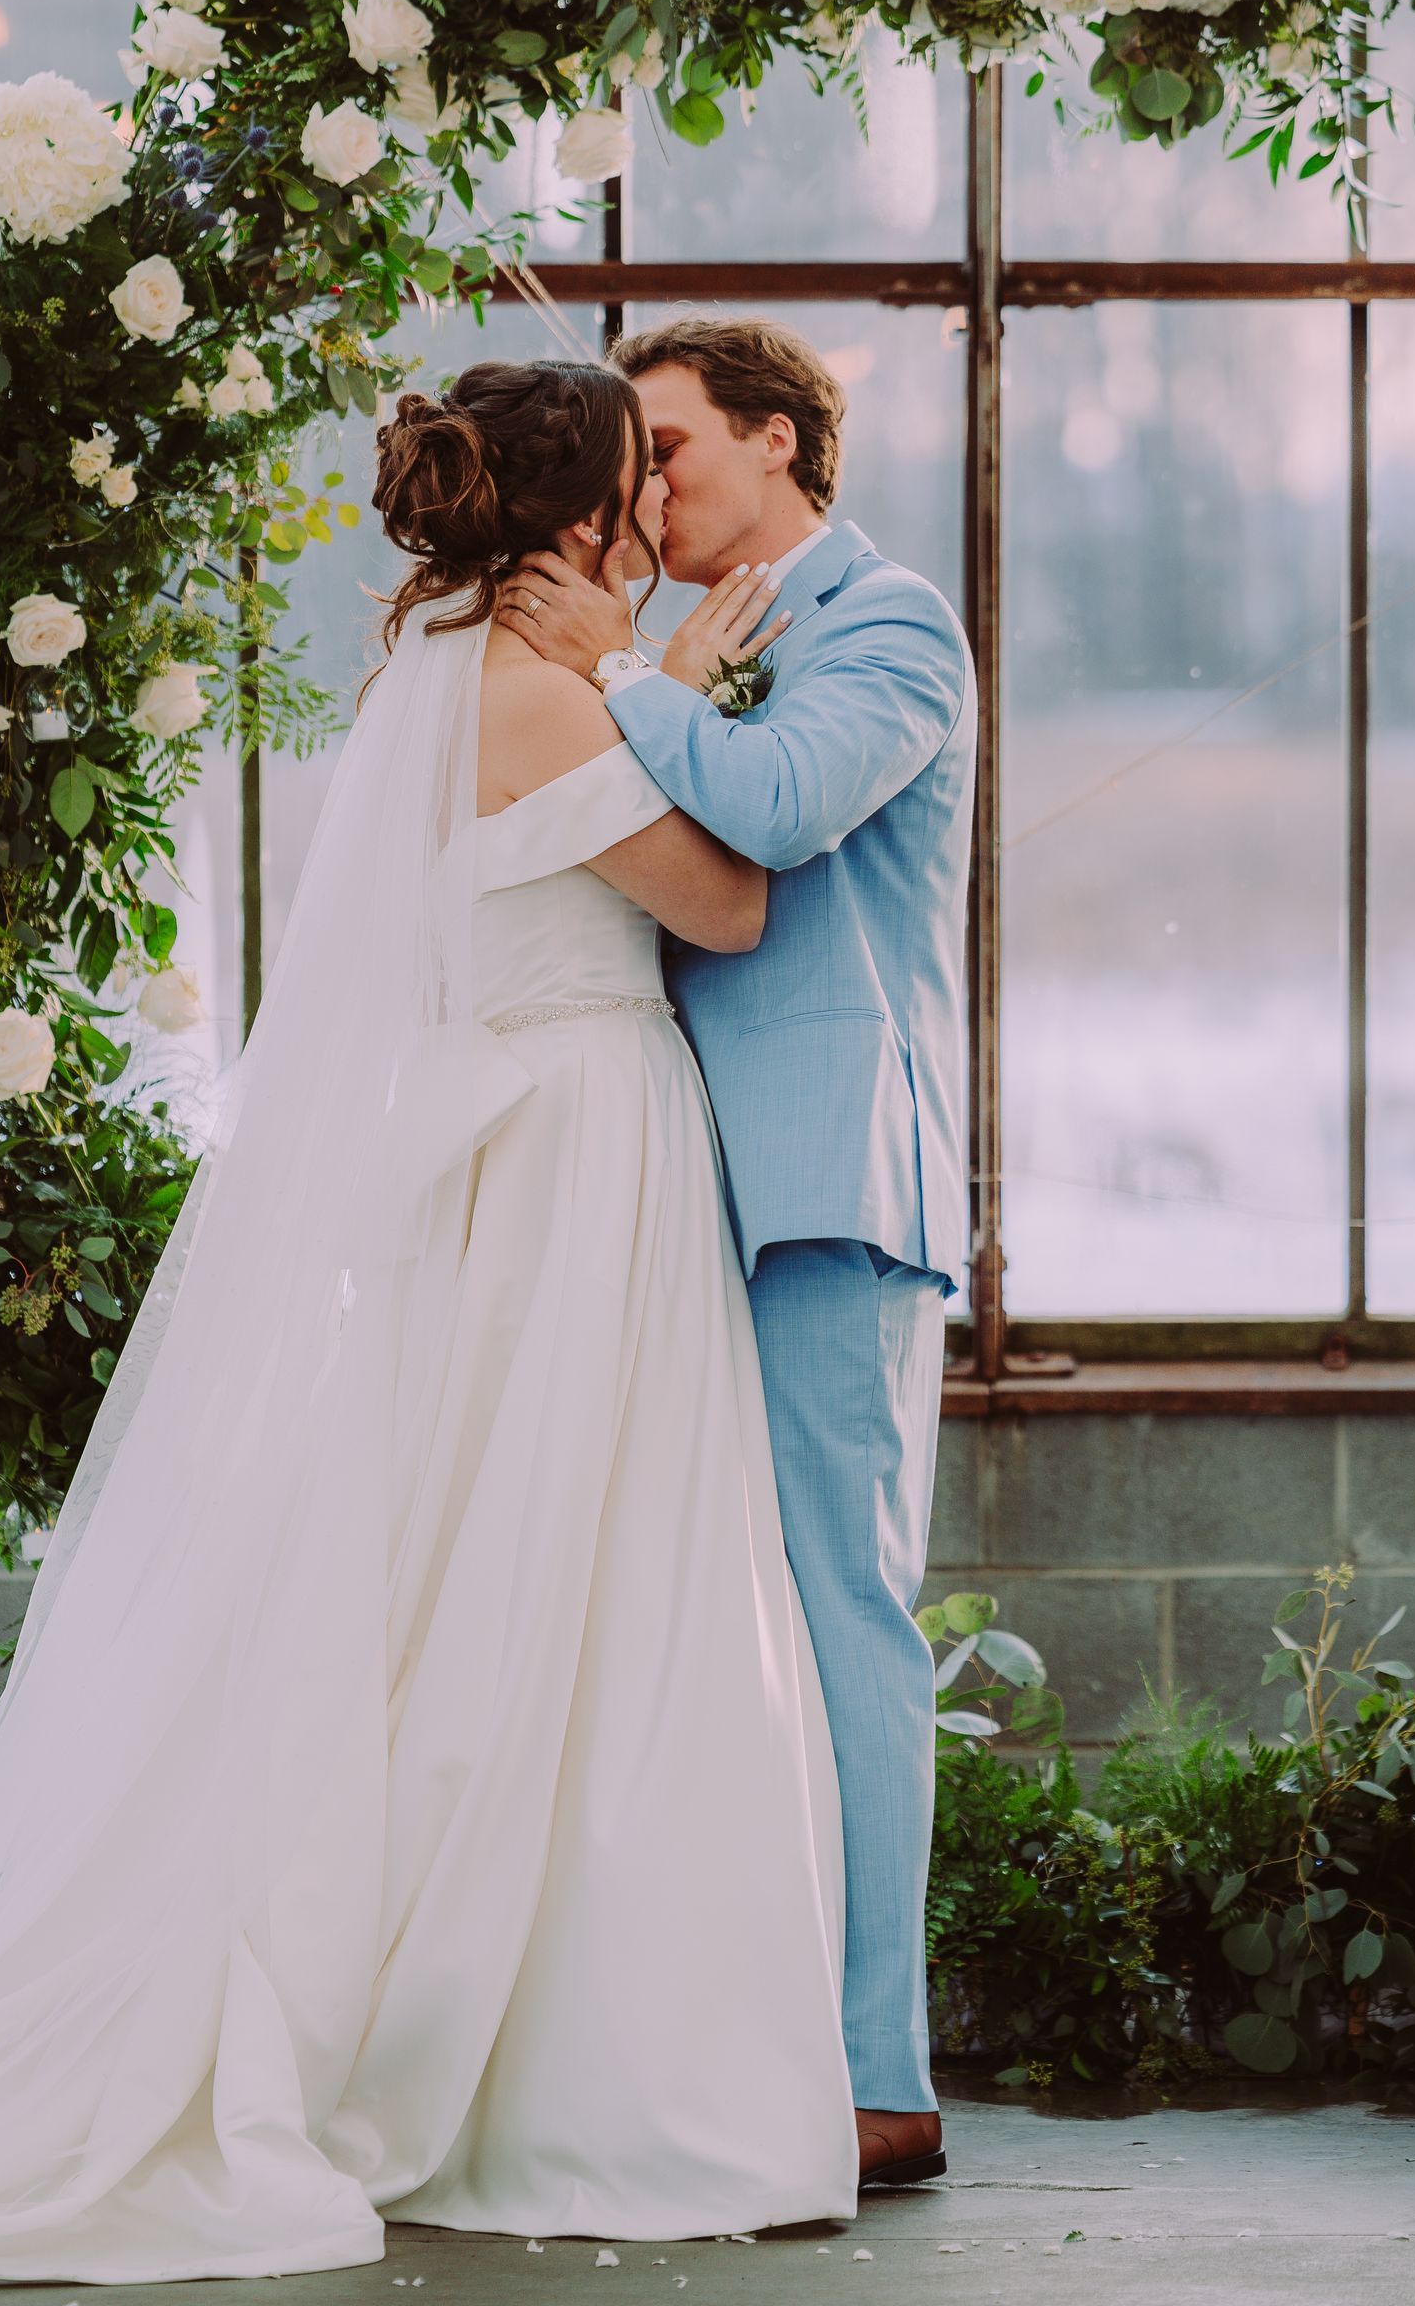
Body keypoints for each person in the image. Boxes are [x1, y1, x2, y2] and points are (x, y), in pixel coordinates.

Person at [0, 358, 859, 2293]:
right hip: (575, 1149)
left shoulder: (424, 669)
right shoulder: (548, 684)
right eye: (638, 471)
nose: (656, 502)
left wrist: (641, 678)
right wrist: (658, 682)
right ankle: (553, 2060)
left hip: (520, 1158)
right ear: (580, 510)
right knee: (582, 1568)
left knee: (508, 1571)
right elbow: (725, 908)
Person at [497, 315, 975, 2192]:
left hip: (829, 1183)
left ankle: (879, 2074)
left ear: (781, 440)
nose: (648, 484)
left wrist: (617, 666)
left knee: (843, 1609)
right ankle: (724, 2038)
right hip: (678, 1180)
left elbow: (775, 812)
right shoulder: (681, 646)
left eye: (674, 445)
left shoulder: (891, 623)